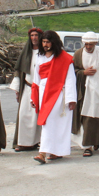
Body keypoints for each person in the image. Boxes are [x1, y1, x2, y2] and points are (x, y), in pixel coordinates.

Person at [31, 30, 77, 164]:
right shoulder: (39, 57)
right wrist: (33, 98)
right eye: (43, 42)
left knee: (52, 123)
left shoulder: (64, 58)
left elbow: (70, 79)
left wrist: (71, 99)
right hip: (43, 93)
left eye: (48, 42)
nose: (45, 45)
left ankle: (43, 153)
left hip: (58, 94)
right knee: (49, 122)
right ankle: (54, 152)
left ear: (54, 43)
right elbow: (36, 79)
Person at [71, 32, 99, 157]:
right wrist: (83, 72)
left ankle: (96, 140)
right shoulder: (78, 54)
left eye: (91, 44)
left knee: (96, 118)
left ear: (95, 43)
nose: (88, 47)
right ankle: (87, 146)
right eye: (86, 44)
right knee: (86, 118)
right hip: (83, 91)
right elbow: (72, 71)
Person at [9, 28, 42, 151]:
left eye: (36, 35)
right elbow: (19, 70)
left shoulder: (44, 53)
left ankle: (37, 142)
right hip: (28, 88)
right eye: (32, 35)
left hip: (41, 89)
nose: (34, 38)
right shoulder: (26, 52)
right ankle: (23, 143)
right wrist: (17, 89)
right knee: (24, 115)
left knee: (38, 117)